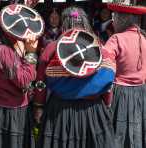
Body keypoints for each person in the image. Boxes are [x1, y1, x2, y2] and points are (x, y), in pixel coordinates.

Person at [34, 6, 116, 148]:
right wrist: (107, 104)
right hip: (93, 111)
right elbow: (108, 83)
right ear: (85, 22)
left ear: (64, 23)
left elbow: (41, 82)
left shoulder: (52, 48)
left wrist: (39, 106)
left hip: (59, 113)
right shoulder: (100, 48)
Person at [101, 2, 146, 148]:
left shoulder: (116, 39)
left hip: (119, 94)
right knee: (137, 132)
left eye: (116, 17)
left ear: (124, 19)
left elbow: (104, 67)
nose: (113, 20)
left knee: (117, 136)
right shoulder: (144, 39)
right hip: (141, 94)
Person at [0, 17, 38, 148]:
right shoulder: (3, 50)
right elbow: (23, 80)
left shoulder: (9, 46)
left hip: (13, 109)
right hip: (10, 113)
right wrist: (31, 53)